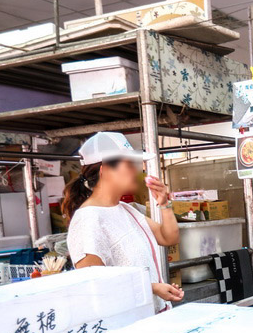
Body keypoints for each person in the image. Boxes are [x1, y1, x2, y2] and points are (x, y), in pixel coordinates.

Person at [64, 132, 183, 313]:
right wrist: (152, 287)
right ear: (105, 170)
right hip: (125, 324)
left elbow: (169, 237)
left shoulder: (126, 210)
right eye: (128, 164)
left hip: (148, 318)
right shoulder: (88, 220)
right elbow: (95, 283)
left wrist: (164, 203)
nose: (136, 171)